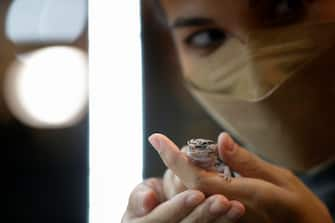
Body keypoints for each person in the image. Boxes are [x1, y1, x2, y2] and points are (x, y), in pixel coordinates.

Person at [122, 0, 335, 222]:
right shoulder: (227, 196)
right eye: (208, 36)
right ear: (173, 55)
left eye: (286, 9)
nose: (255, 71)